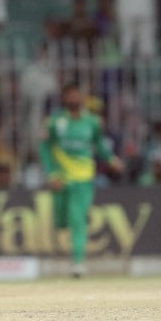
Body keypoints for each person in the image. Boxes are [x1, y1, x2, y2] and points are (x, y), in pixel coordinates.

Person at [40, 82, 124, 278]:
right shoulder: (54, 122)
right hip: (61, 178)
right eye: (70, 95)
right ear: (64, 98)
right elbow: (44, 148)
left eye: (77, 95)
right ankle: (73, 251)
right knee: (61, 221)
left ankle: (78, 263)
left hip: (84, 178)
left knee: (78, 219)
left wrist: (111, 159)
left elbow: (99, 144)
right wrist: (52, 173)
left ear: (83, 97)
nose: (74, 98)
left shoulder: (93, 122)